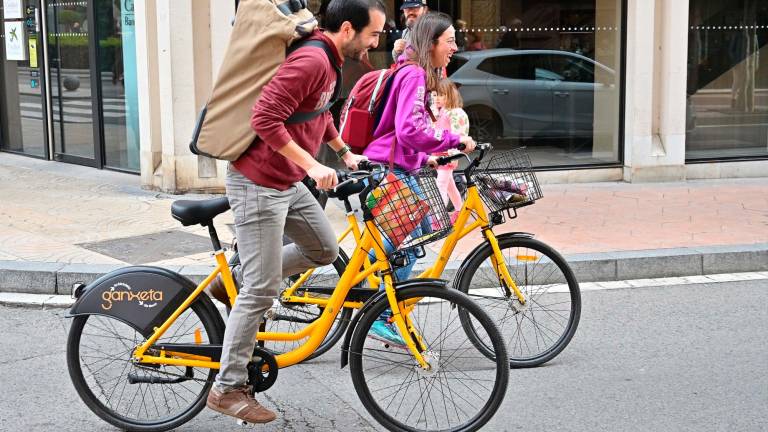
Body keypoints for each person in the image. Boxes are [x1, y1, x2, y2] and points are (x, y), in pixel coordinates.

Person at [206, 0, 385, 425]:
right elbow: (265, 117)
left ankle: (228, 281)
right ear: (347, 29)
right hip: (257, 183)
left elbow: (315, 112)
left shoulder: (332, 61)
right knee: (262, 288)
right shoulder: (310, 61)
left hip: (286, 182)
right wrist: (313, 165)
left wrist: (343, 153)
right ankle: (227, 388)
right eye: (373, 34)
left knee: (324, 250)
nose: (377, 42)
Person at [363, 11, 476, 345]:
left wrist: (423, 155)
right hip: (390, 168)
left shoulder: (412, 72)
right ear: (432, 43)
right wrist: (453, 140)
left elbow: (402, 129)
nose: (455, 47)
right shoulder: (413, 74)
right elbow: (410, 128)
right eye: (450, 40)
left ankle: (375, 275)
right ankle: (381, 313)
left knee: (422, 232)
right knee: (409, 244)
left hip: (400, 164)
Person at [433, 78, 469, 220]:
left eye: (441, 95)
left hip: (448, 155)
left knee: (441, 185)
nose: (437, 98)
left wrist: (454, 155)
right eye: (435, 95)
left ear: (450, 95)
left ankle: (439, 218)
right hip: (440, 154)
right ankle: (460, 211)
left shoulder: (456, 113)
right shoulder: (441, 112)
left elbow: (459, 134)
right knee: (449, 185)